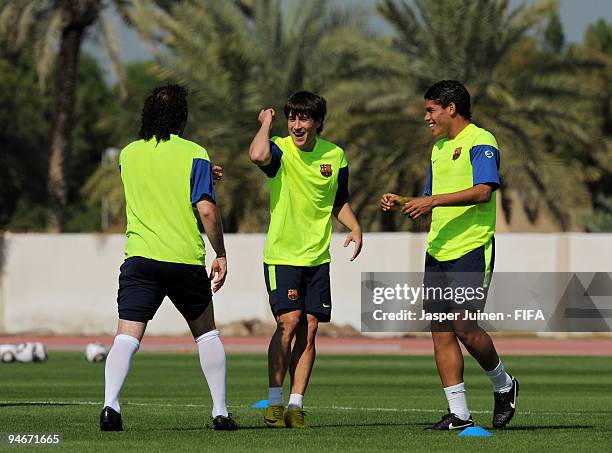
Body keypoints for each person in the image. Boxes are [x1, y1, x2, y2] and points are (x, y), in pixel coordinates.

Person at [380, 80, 518, 430]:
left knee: (465, 327)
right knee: (441, 330)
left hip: (471, 246)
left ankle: (504, 384)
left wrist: (432, 200)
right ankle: (459, 414)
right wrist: (404, 201)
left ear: (451, 108)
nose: (426, 117)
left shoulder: (481, 141)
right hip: (438, 249)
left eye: (430, 110)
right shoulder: (438, 148)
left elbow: (484, 191)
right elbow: (430, 197)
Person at [100, 84, 238, 431]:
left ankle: (110, 406)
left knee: (126, 338)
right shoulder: (195, 153)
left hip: (141, 258)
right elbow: (205, 209)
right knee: (207, 334)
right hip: (183, 259)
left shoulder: (128, 155)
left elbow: (154, 182)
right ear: (182, 115)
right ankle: (220, 412)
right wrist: (220, 252)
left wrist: (205, 174)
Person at [249, 91, 362, 428]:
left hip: (317, 257)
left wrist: (355, 227)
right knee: (289, 322)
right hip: (282, 254)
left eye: (304, 118)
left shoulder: (336, 155)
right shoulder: (279, 149)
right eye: (292, 118)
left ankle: (296, 405)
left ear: (317, 122)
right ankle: (273, 401)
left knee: (309, 329)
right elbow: (256, 154)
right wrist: (266, 122)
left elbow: (338, 201)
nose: (297, 125)